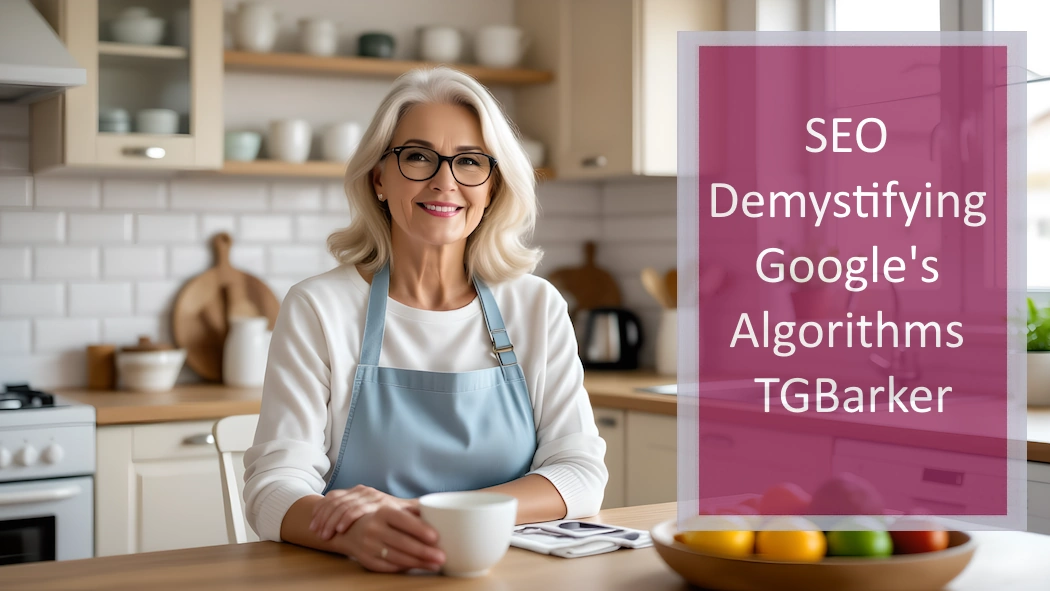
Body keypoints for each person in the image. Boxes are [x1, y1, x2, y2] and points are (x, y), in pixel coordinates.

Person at [242, 66, 608, 573]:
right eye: (417, 157)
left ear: (493, 185)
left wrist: (417, 513)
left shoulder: (536, 306)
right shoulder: (319, 307)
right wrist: (354, 533)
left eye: (470, 161)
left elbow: (581, 475)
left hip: (510, 575)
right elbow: (273, 489)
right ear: (379, 178)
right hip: (361, 575)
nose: (445, 182)